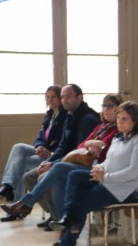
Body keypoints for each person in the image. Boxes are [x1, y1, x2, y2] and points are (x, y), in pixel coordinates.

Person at [45, 101, 138, 246]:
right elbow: (109, 162)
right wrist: (97, 169)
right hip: (112, 182)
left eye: (124, 119)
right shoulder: (119, 138)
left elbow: (133, 172)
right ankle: (68, 219)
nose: (120, 122)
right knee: (74, 175)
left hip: (131, 189)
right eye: (118, 118)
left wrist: (105, 177)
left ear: (135, 121)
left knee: (80, 204)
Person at [0, 93, 124, 223]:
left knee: (57, 169)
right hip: (80, 162)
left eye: (110, 106)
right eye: (104, 105)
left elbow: (104, 151)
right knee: (49, 176)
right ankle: (61, 222)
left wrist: (53, 160)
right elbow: (81, 146)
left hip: (97, 168)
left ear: (119, 109)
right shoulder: (100, 127)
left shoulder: (115, 129)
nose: (105, 109)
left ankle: (26, 202)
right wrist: (90, 144)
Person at [19, 84, 101, 224]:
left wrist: (53, 164)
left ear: (79, 97)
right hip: (64, 161)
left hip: (80, 164)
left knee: (43, 177)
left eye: (68, 96)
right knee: (29, 177)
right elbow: (62, 147)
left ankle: (55, 216)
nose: (64, 100)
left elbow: (80, 154)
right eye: (62, 97)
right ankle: (55, 215)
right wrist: (49, 161)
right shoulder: (69, 116)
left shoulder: (88, 119)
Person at [0, 85, 65, 204]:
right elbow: (40, 137)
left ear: (60, 98)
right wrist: (39, 146)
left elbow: (63, 143)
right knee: (18, 147)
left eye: (53, 97)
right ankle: (7, 186)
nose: (50, 100)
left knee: (22, 162)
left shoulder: (65, 117)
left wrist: (50, 151)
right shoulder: (49, 115)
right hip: (44, 151)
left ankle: (16, 205)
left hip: (53, 156)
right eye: (47, 97)